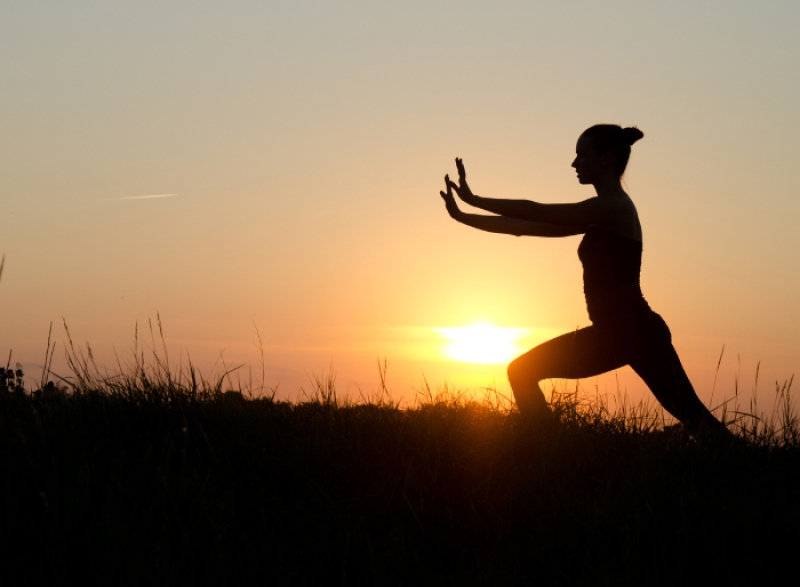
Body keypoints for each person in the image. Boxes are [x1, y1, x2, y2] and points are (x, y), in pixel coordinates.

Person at [439, 124, 728, 437]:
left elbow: (536, 211)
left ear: (604, 160)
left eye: (581, 155)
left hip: (635, 332)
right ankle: (549, 449)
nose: (574, 163)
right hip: (619, 333)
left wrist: (475, 199)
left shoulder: (613, 208)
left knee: (696, 419)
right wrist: (463, 215)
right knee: (698, 421)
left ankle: (547, 448)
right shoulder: (599, 214)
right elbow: (523, 224)